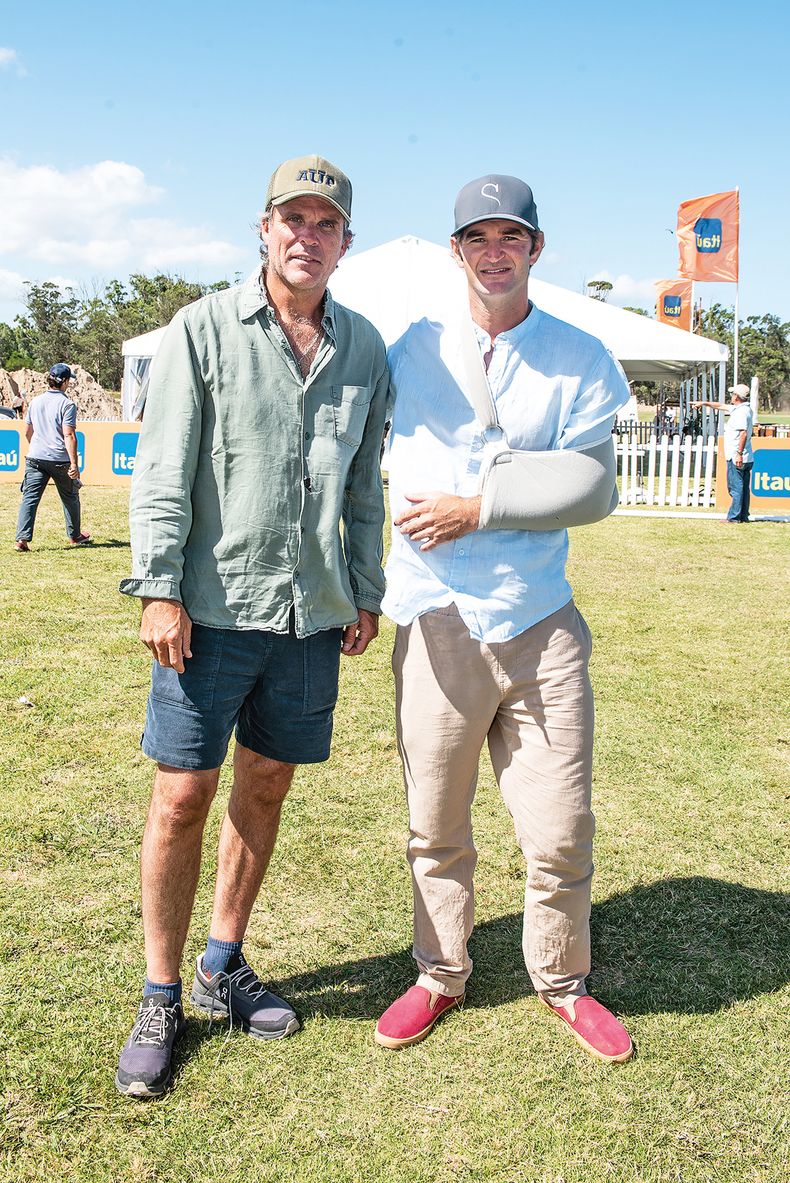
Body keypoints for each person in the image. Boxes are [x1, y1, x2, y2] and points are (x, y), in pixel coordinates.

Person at [115, 155, 389, 1098]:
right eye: (292, 220)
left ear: (344, 241)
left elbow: (362, 483)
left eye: (326, 223)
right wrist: (158, 587)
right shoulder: (201, 331)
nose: (306, 237)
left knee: (265, 789)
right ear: (262, 230)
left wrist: (366, 586)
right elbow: (162, 469)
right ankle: (161, 993)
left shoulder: (364, 349)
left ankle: (223, 961)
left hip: (313, 616)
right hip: (213, 609)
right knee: (182, 796)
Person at [375, 174, 634, 1063]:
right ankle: (438, 971)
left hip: (537, 619)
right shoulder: (408, 348)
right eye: (477, 237)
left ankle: (562, 978)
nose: (495, 251)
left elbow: (593, 485)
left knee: (560, 824)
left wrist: (477, 506)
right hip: (434, 614)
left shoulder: (578, 353)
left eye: (510, 236)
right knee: (434, 821)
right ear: (457, 251)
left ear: (535, 248)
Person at [14, 363, 91, 552]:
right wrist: (74, 463)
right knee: (70, 497)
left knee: (29, 498)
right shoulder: (67, 404)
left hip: (35, 458)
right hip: (59, 459)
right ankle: (75, 536)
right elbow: (69, 435)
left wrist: (38, 448)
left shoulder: (35, 402)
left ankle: (21, 540)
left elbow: (27, 432)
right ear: (64, 382)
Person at [691, 383, 754, 523]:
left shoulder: (741, 412)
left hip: (737, 456)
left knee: (735, 488)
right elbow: (720, 406)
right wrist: (704, 403)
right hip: (746, 456)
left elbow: (743, 434)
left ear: (737, 396)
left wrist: (738, 453)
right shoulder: (744, 409)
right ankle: (743, 516)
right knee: (742, 488)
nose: (731, 396)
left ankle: (733, 517)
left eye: (733, 394)